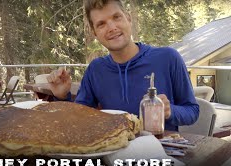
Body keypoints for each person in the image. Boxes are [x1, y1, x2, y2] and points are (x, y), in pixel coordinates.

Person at [46, 0, 199, 131]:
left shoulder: (168, 58)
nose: (112, 27)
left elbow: (192, 111)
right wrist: (61, 97)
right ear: (94, 33)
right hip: (112, 151)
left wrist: (170, 110)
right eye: (101, 24)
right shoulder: (96, 69)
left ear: (128, 18)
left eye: (116, 17)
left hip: (160, 154)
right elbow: (80, 117)